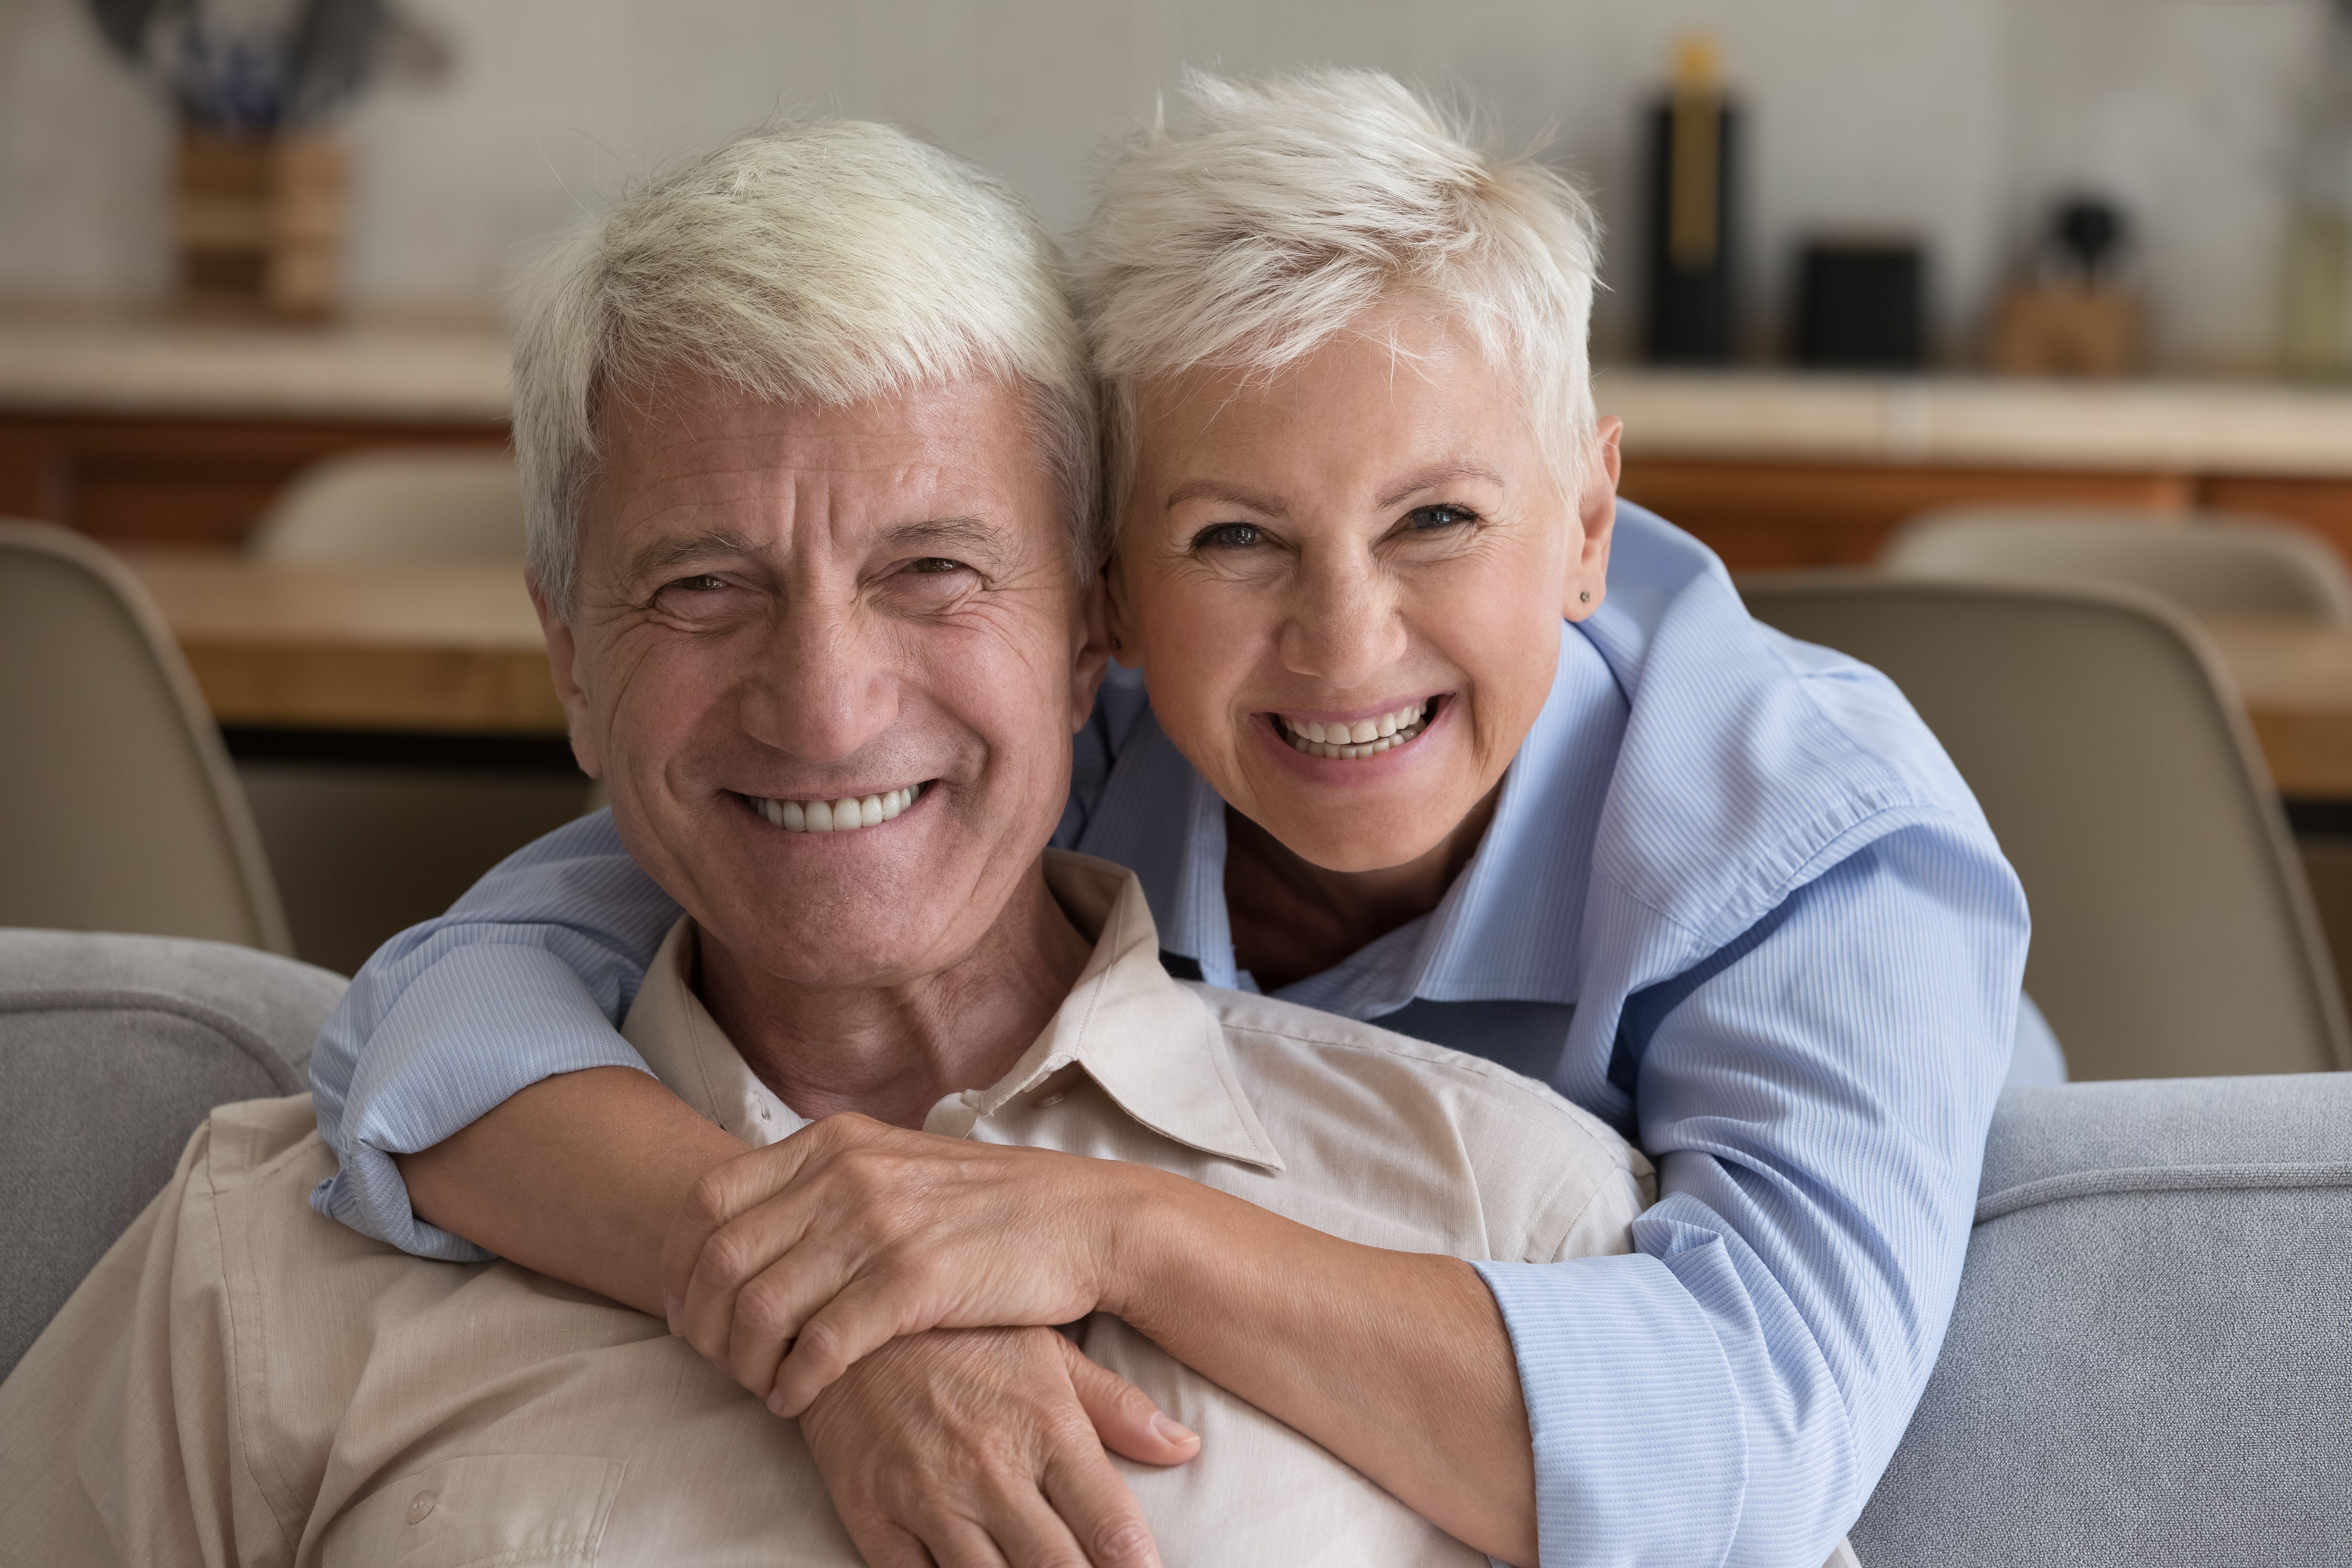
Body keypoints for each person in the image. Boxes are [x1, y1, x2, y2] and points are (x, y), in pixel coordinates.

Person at [310, 72, 2032, 1568]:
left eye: (1437, 517)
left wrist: (1116, 1223)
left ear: (1588, 522)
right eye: (1233, 539)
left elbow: (1745, 1454)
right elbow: (439, 1010)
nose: (1344, 642)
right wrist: (828, 1313)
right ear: (1107, 592)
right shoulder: (1061, 733)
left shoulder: (1808, 838)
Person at [0, 119, 1656, 1568]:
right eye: (703, 585)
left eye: (933, 568)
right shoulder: (272, 1250)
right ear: (572, 657)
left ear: (1091, 629)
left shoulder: (1511, 1220)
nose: (825, 705)